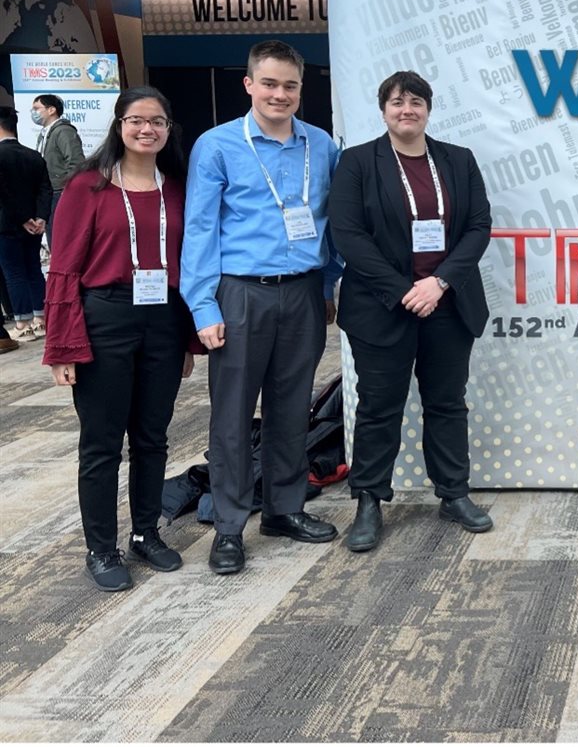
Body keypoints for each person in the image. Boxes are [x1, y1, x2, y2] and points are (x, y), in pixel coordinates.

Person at [181, 40, 341, 575]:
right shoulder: (218, 145)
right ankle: (229, 526)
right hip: (240, 291)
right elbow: (200, 229)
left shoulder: (321, 146)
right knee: (231, 414)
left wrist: (330, 283)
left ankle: (284, 509)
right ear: (249, 84)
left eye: (289, 85)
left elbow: (330, 221)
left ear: (301, 88)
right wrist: (203, 306)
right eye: (269, 83)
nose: (279, 94)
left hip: (303, 291)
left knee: (292, 407)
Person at [329, 71, 494, 551]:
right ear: (383, 110)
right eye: (397, 101)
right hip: (384, 306)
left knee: (447, 403)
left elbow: (479, 226)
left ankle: (453, 493)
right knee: (380, 407)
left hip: (447, 302)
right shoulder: (358, 163)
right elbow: (348, 235)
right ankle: (368, 501)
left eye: (416, 101)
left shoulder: (457, 161)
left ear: (428, 109)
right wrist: (406, 291)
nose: (407, 109)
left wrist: (439, 282)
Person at [43, 87, 199, 592]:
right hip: (104, 316)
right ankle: (101, 548)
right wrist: (63, 347)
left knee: (153, 437)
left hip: (163, 319)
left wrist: (187, 340)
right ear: (118, 125)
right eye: (136, 120)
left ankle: (145, 533)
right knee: (103, 443)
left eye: (157, 121)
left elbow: (192, 261)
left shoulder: (176, 186)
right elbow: (63, 269)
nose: (146, 129)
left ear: (168, 130)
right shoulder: (86, 187)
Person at [0, 106, 52, 341]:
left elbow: (4, 193)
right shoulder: (33, 155)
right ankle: (42, 320)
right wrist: (40, 217)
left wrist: (23, 219)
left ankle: (23, 323)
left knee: (14, 272)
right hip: (34, 225)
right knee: (33, 269)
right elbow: (45, 188)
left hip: (7, 224)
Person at [32, 93, 86, 244]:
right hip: (49, 191)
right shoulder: (45, 133)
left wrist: (66, 187)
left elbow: (76, 162)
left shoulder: (63, 131)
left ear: (51, 110)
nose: (33, 113)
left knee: (61, 236)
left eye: (37, 108)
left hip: (60, 191)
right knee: (52, 234)